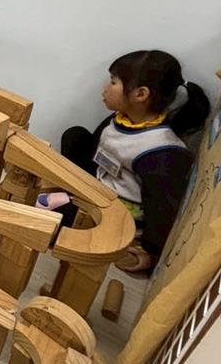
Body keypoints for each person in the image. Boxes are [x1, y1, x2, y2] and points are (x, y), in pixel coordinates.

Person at [58, 50, 211, 274]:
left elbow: (162, 210)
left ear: (140, 94)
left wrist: (149, 251)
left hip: (118, 215)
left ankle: (72, 208)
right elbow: (98, 153)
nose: (104, 88)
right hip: (103, 186)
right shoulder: (119, 119)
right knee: (75, 136)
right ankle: (70, 200)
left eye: (113, 82)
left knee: (54, 218)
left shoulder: (161, 153)